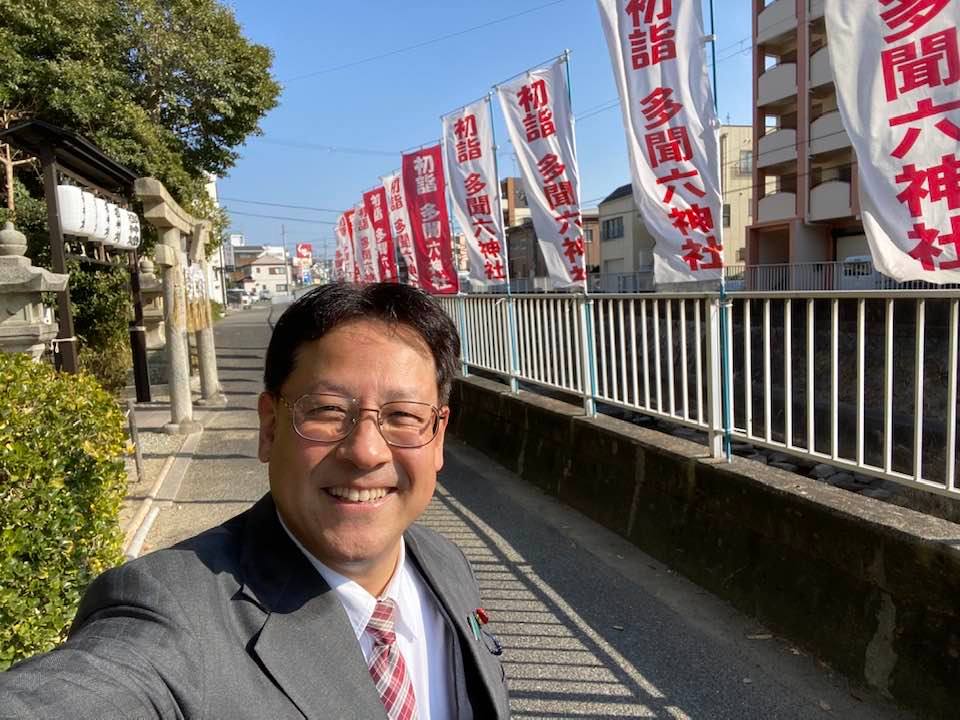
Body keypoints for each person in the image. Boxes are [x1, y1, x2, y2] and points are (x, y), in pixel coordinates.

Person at [0, 282, 510, 719]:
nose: (366, 451)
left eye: (403, 416)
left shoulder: (445, 565)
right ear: (269, 426)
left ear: (438, 436)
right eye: (328, 410)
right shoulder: (169, 611)